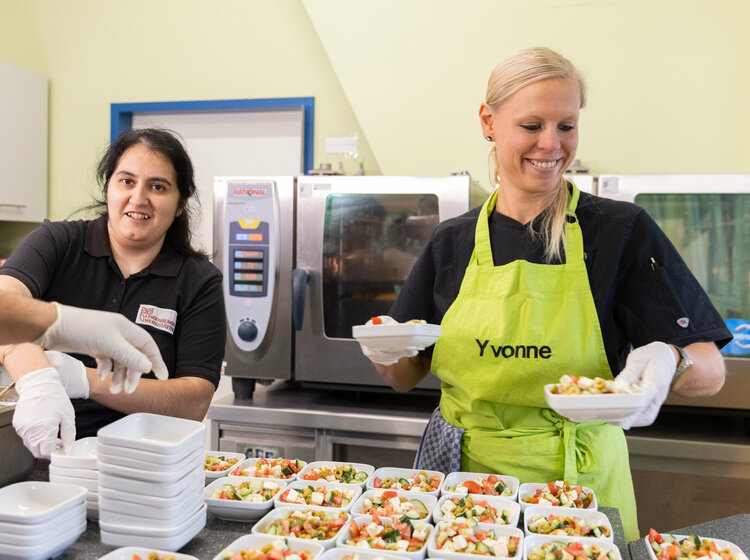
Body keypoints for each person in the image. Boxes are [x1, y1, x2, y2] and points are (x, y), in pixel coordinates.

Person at [358, 47, 730, 541]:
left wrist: (671, 360)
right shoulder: (453, 240)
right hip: (467, 492)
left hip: (581, 489)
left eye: (567, 126)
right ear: (489, 122)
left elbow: (711, 371)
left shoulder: (618, 231)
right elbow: (405, 376)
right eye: (532, 126)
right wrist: (383, 350)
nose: (552, 144)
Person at [0, 128, 226, 459]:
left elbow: (193, 402)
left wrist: (82, 378)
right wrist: (39, 379)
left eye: (158, 186)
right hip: (38, 452)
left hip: (141, 464)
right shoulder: (57, 243)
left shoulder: (198, 281)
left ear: (180, 204)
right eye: (126, 181)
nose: (139, 198)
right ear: (108, 187)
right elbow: (5, 300)